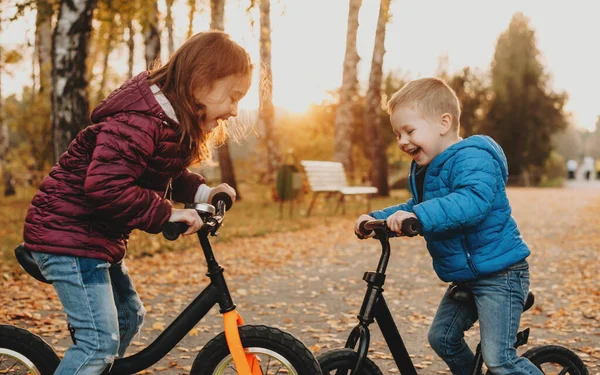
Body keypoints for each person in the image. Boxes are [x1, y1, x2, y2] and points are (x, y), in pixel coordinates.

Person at [22, 31, 252, 374]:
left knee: (130, 316)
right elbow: (106, 186)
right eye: (233, 96)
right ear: (200, 83)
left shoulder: (165, 123)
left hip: (94, 239)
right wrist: (167, 215)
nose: (235, 110)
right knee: (98, 343)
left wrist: (202, 194)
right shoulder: (138, 120)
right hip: (69, 237)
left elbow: (161, 172)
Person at [354, 77, 541, 375]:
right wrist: (375, 218)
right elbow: (413, 208)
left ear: (443, 123)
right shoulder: (427, 170)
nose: (402, 141)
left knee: (499, 359)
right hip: (467, 276)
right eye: (396, 134)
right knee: (442, 338)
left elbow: (471, 202)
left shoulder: (474, 158)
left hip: (501, 274)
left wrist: (421, 217)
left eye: (409, 131)